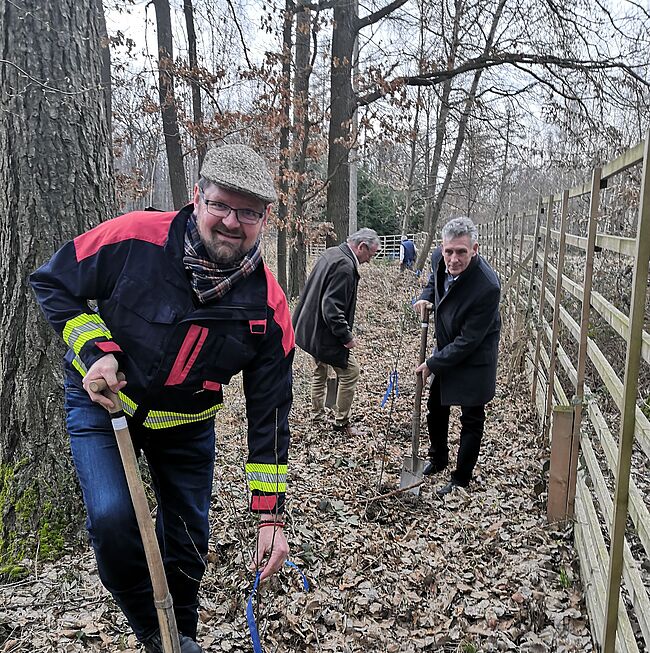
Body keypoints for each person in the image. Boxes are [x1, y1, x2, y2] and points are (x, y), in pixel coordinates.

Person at [30, 144, 295, 653]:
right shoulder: (135, 237)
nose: (232, 222)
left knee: (190, 540)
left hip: (187, 426)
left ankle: (182, 634)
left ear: (265, 220)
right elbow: (54, 281)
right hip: (106, 406)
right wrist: (94, 347)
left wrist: (270, 516)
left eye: (249, 212)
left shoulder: (268, 307)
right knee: (111, 518)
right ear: (197, 197)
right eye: (221, 204)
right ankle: (151, 628)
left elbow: (270, 418)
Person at [414, 217, 500, 497]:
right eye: (449, 251)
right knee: (436, 407)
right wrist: (426, 296)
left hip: (474, 358)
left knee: (471, 418)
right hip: (447, 346)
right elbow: (433, 281)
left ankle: (461, 477)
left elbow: (469, 341)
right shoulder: (439, 258)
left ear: (475, 249)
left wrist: (433, 362)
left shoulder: (487, 286)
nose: (453, 259)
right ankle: (438, 458)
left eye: (461, 252)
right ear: (442, 247)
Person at [293, 228, 380, 435]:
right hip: (323, 332)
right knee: (351, 372)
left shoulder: (331, 253)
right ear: (362, 247)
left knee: (320, 371)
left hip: (309, 328)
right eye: (371, 254)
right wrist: (346, 336)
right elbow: (331, 307)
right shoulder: (345, 266)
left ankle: (317, 416)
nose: (369, 260)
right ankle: (342, 423)